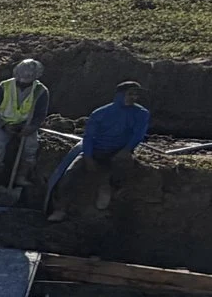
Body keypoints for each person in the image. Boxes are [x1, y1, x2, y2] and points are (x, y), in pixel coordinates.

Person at [48, 80, 151, 220]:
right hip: (96, 150)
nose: (133, 98)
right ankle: (60, 209)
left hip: (119, 151)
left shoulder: (141, 113)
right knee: (70, 175)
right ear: (119, 95)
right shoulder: (100, 113)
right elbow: (89, 137)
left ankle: (108, 192)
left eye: (136, 95)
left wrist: (127, 150)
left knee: (122, 170)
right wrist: (88, 157)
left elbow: (138, 134)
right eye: (130, 94)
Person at [0, 59, 51, 194]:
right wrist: (3, 125)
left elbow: (40, 114)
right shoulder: (4, 87)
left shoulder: (40, 91)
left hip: (25, 125)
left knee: (31, 147)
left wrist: (31, 127)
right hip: (3, 123)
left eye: (30, 76)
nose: (25, 78)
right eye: (24, 75)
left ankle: (21, 176)